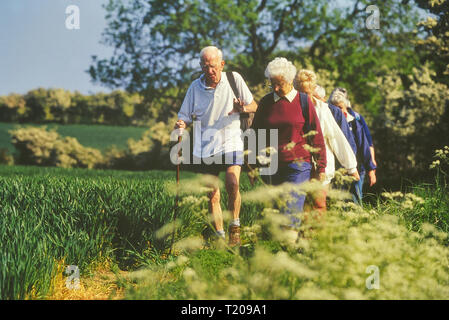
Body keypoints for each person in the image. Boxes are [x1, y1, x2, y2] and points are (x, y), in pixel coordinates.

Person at [174, 46, 257, 246]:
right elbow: (184, 115)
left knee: (232, 183)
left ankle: (235, 228)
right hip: (205, 145)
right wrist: (181, 124)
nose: (209, 71)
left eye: (212, 66)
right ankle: (219, 237)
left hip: (231, 140)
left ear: (221, 64)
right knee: (212, 193)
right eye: (204, 67)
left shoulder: (234, 79)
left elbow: (255, 105)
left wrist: (242, 108)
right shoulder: (195, 87)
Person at [252, 58, 326, 226]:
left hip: (298, 165)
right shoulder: (266, 102)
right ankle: (293, 245)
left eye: (280, 84)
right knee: (278, 214)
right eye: (272, 84)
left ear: (290, 80)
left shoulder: (304, 101)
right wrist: (254, 165)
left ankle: (290, 246)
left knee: (290, 211)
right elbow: (256, 133)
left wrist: (321, 166)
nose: (276, 89)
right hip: (272, 166)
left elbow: (316, 135)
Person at [294, 70, 359, 213]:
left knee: (319, 204)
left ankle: (318, 235)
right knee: (302, 207)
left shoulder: (322, 109)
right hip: (298, 165)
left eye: (308, 92)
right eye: (302, 93)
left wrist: (351, 167)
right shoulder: (291, 109)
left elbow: (336, 137)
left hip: (321, 166)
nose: (305, 96)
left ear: (313, 89)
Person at [328, 88, 376, 204]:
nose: (338, 111)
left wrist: (371, 168)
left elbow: (365, 144)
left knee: (355, 200)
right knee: (338, 201)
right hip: (337, 170)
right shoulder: (330, 122)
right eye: (335, 108)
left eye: (340, 108)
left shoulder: (354, 121)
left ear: (345, 106)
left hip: (357, 168)